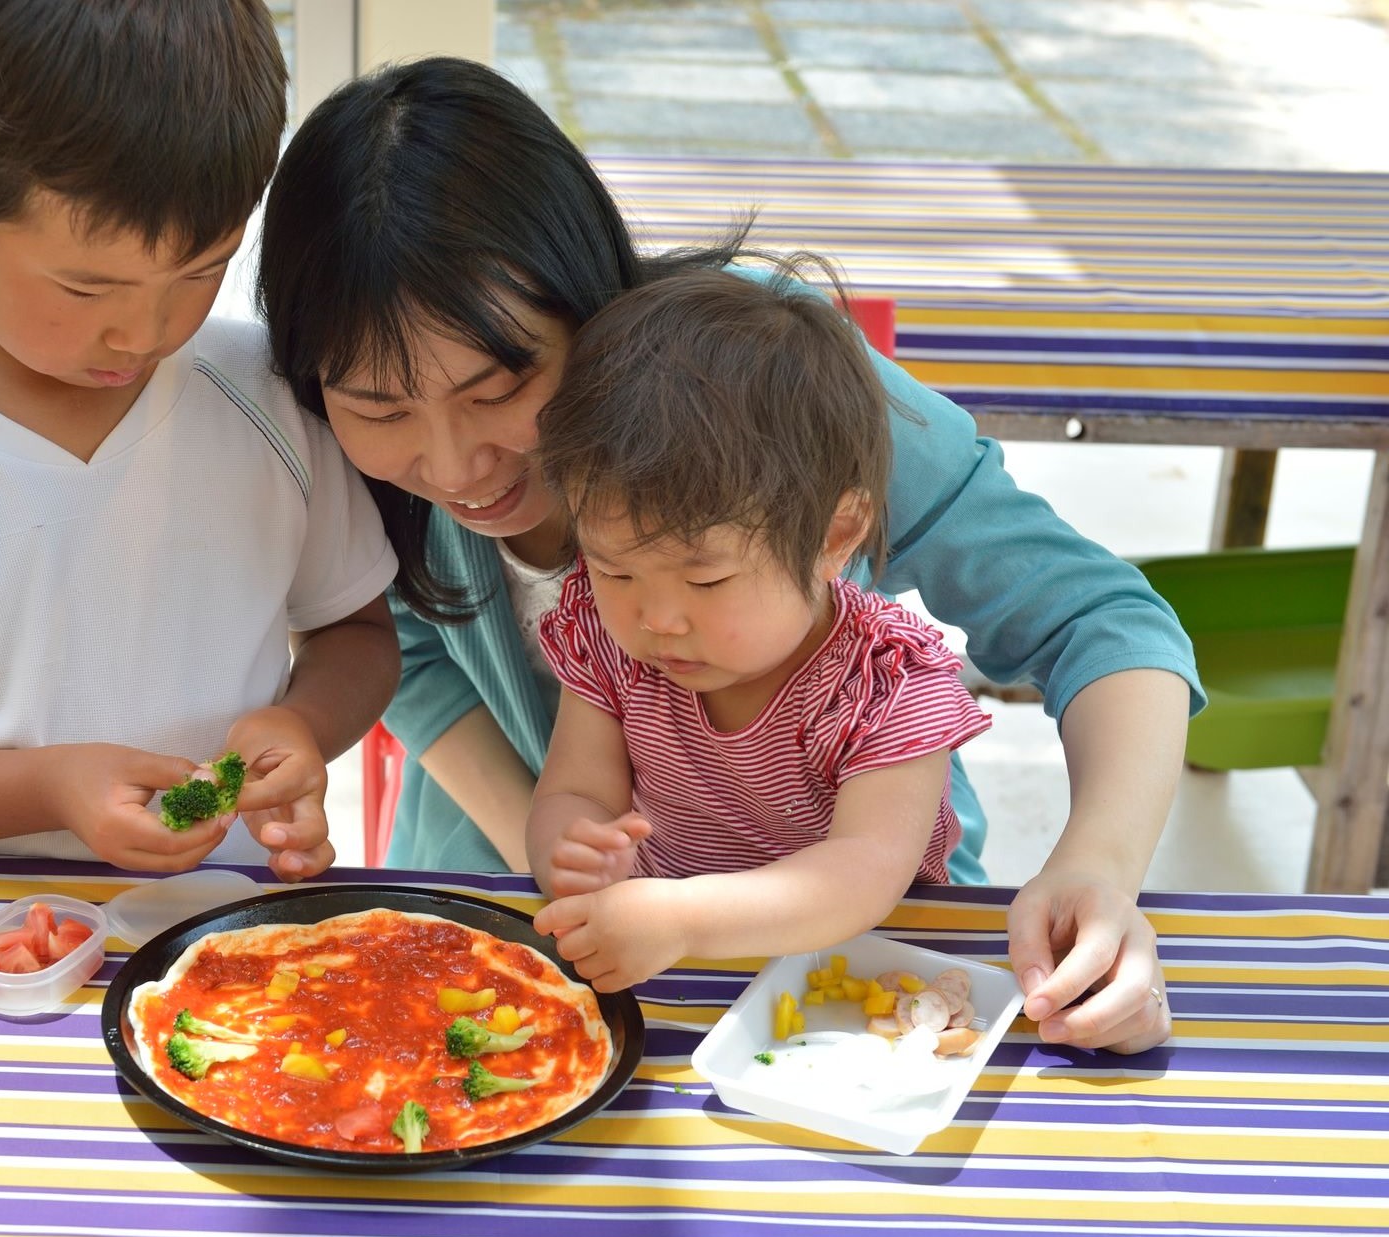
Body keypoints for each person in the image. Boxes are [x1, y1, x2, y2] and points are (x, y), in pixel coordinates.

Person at [256, 57, 1199, 1052]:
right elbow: (394, 640)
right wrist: (557, 858)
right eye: (379, 409)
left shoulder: (752, 382)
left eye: (498, 387)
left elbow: (1095, 619)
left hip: (860, 935)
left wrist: (1095, 866)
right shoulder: (313, 430)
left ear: (589, 301)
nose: (453, 464)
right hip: (531, 897)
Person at [0, 0, 398, 926]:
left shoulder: (265, 395)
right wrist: (49, 786)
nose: (147, 330)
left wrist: (305, 724)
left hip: (238, 935)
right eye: (87, 287)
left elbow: (358, 634)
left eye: (201, 269)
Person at [525, 263, 992, 991]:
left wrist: (683, 917)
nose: (657, 618)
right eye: (615, 569)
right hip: (670, 965)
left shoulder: (886, 686)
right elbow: (574, 791)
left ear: (836, 534)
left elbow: (856, 877)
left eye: (705, 579)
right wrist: (571, 850)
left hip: (864, 981)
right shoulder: (611, 642)